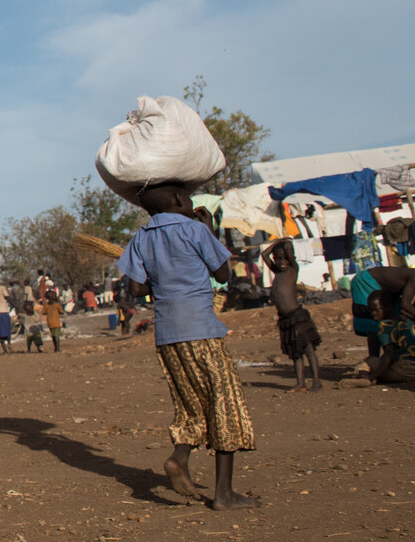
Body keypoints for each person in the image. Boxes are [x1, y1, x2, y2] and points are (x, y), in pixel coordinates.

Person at [117, 183, 259, 510]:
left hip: (167, 334)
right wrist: (209, 229)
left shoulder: (140, 238)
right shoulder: (195, 230)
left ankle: (180, 457)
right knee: (224, 402)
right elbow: (222, 273)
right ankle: (224, 493)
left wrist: (165, 275)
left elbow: (137, 288)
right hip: (201, 329)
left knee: (191, 403)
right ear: (180, 199)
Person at [261, 241, 322, 393]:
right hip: (285, 319)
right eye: (278, 259)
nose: (281, 261)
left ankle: (316, 381)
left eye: (284, 258)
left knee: (308, 350)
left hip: (297, 317)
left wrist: (285, 244)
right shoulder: (277, 272)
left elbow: (288, 251)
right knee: (295, 353)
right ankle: (300, 382)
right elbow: (264, 254)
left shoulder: (293, 270)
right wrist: (277, 242)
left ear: (290, 258)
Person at [364, 292, 415, 384]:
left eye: (377, 310)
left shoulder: (385, 325)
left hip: (406, 367)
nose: (373, 314)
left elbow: (390, 355)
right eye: (371, 310)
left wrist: (373, 376)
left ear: (389, 306)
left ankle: (367, 379)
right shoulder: (406, 321)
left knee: (369, 362)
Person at [40, 289, 65, 354]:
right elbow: (61, 312)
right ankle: (57, 348)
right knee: (57, 336)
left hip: (49, 322)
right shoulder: (57, 305)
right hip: (56, 322)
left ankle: (55, 348)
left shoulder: (46, 305)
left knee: (53, 335)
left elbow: (43, 312)